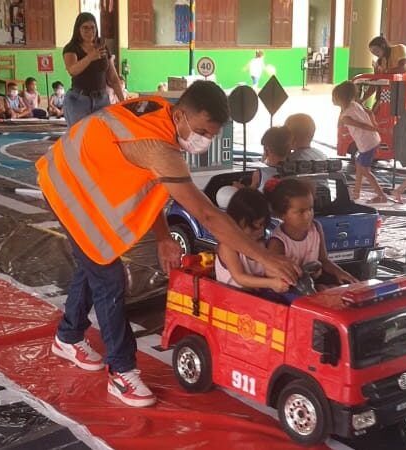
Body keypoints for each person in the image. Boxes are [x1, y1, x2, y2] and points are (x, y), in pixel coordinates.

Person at [35, 80, 300, 407]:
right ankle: (121, 372)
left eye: (211, 134)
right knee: (109, 278)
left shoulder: (158, 111)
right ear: (181, 116)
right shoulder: (160, 147)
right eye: (202, 131)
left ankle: (68, 335)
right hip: (66, 185)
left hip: (75, 173)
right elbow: (208, 215)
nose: (205, 140)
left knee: (95, 258)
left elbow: (150, 183)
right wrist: (267, 258)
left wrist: (163, 236)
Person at [267, 178, 357, 287]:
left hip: (314, 281)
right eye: (301, 211)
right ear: (282, 215)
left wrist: (340, 273)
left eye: (310, 209)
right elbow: (277, 276)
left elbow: (323, 260)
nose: (308, 215)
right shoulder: (277, 243)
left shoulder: (316, 228)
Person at [215, 188, 289, 293]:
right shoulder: (227, 246)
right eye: (253, 227)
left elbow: (269, 269)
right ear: (235, 223)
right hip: (230, 297)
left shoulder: (261, 243)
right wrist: (271, 283)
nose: (260, 230)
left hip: (255, 296)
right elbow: (239, 277)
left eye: (262, 225)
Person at [63, 12, 124, 126]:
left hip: (102, 99)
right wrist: (90, 57)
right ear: (78, 29)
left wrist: (123, 101)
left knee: (102, 133)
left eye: (92, 27)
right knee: (80, 135)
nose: (89, 31)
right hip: (79, 101)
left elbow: (113, 78)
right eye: (85, 28)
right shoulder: (71, 48)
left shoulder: (102, 46)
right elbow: (72, 70)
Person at [332, 81, 387, 203]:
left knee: (365, 171)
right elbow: (369, 112)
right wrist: (374, 124)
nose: (332, 100)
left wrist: (376, 128)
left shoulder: (345, 116)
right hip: (371, 140)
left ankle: (381, 196)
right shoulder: (355, 104)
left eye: (334, 97)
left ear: (341, 99)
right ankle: (356, 192)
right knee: (358, 164)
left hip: (367, 144)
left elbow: (361, 125)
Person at [368, 36, 406, 110]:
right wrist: (362, 100)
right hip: (405, 88)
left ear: (383, 46)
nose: (375, 54)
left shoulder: (400, 49)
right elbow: (376, 83)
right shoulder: (381, 61)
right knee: (404, 113)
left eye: (376, 50)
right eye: (372, 52)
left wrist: (384, 71)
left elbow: (402, 69)